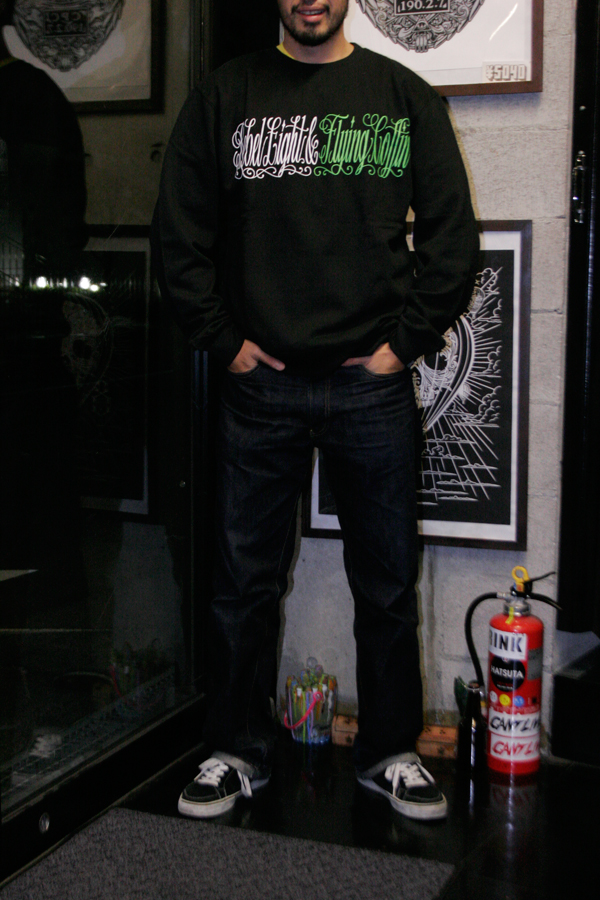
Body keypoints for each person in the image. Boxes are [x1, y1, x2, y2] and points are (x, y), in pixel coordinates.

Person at [153, 0, 479, 821]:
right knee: (242, 583)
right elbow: (179, 233)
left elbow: (453, 237)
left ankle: (391, 751)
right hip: (258, 384)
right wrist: (223, 341)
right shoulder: (225, 96)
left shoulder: (402, 96)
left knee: (387, 582)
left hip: (371, 383)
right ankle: (236, 750)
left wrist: (403, 345)